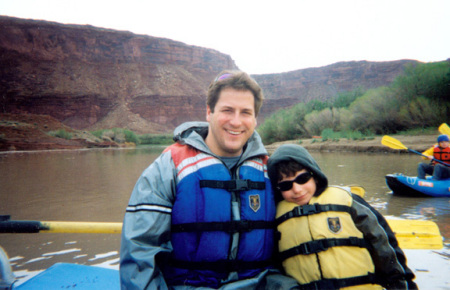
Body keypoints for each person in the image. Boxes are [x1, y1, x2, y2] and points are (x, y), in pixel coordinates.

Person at [120, 70, 298, 289]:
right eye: (227, 110)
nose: (236, 121)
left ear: (255, 119)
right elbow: (140, 249)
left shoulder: (271, 170)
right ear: (208, 112)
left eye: (245, 112)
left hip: (261, 283)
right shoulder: (169, 168)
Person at [267, 144, 418, 289]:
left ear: (315, 175)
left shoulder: (348, 201)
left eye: (302, 179)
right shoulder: (276, 216)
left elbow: (384, 245)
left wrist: (402, 284)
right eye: (286, 185)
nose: (297, 190)